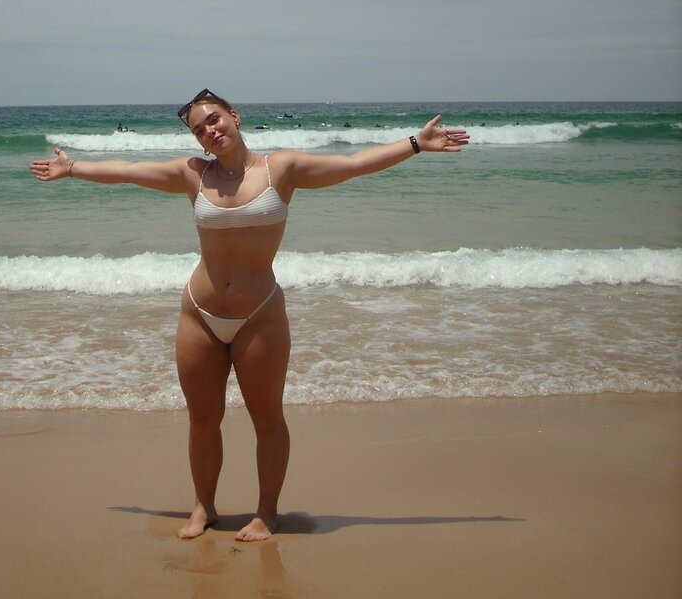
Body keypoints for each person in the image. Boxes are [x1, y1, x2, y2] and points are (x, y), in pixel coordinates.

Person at [29, 90, 469, 542]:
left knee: (268, 419)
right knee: (203, 421)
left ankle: (266, 512)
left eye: (214, 119)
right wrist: (72, 168)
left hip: (260, 316)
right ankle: (203, 507)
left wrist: (415, 144)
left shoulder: (281, 169)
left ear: (234, 117)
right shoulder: (193, 174)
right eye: (199, 129)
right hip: (199, 314)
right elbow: (127, 172)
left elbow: (353, 164)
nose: (209, 131)